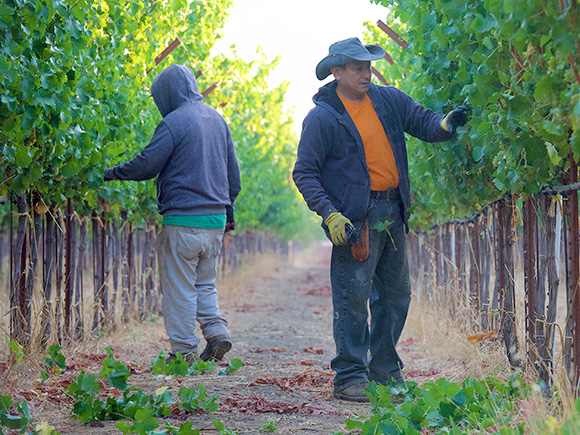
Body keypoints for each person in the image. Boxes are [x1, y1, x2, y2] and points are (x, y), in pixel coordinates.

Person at [292, 38, 468, 402]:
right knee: (352, 297)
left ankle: (385, 370)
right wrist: (330, 213)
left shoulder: (388, 100)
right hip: (356, 221)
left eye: (367, 66)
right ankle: (349, 376)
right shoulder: (323, 118)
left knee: (395, 295)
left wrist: (446, 124)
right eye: (356, 67)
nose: (365, 73)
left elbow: (423, 122)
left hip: (393, 210)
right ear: (337, 72)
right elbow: (305, 173)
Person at [104, 64, 241, 363]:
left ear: (166, 94)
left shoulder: (174, 123)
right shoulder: (219, 120)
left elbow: (147, 164)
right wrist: (225, 209)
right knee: (204, 282)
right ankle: (217, 332)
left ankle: (182, 352)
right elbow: (235, 179)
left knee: (179, 288)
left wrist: (112, 173)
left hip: (182, 221)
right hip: (215, 221)